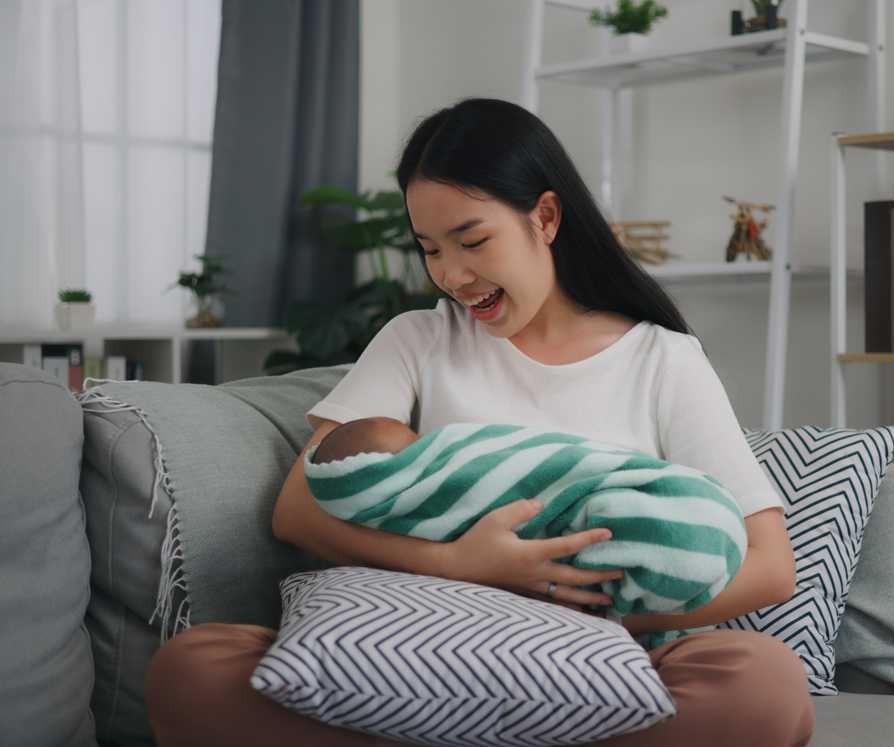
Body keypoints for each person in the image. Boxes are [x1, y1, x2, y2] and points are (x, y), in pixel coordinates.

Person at [143, 97, 815, 747]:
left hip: (610, 661)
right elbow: (298, 510)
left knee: (763, 687)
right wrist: (465, 565)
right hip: (431, 650)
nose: (452, 275)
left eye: (471, 240)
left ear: (545, 217)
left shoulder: (662, 358)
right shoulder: (416, 340)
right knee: (194, 670)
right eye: (430, 249)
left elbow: (770, 565)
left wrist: (586, 606)